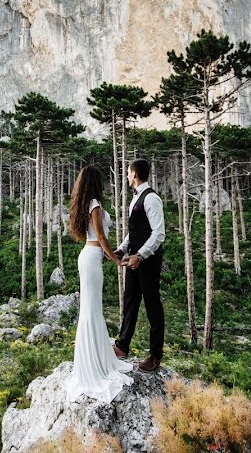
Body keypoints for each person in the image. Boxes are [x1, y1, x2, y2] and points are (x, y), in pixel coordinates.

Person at [62, 165, 134, 403]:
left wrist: (109, 255)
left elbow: (96, 238)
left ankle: (92, 360)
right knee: (91, 311)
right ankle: (92, 366)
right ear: (96, 183)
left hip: (90, 256)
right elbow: (101, 237)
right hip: (93, 258)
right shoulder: (95, 204)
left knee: (92, 310)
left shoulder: (86, 203)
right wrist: (116, 259)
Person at [113, 159, 166, 373]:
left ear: (134, 174)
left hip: (148, 262)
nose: (126, 176)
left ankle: (155, 356)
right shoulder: (135, 199)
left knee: (153, 307)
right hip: (134, 259)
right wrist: (122, 248)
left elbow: (159, 233)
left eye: (127, 173)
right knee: (130, 302)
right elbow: (134, 231)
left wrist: (140, 256)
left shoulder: (151, 198)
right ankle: (122, 346)